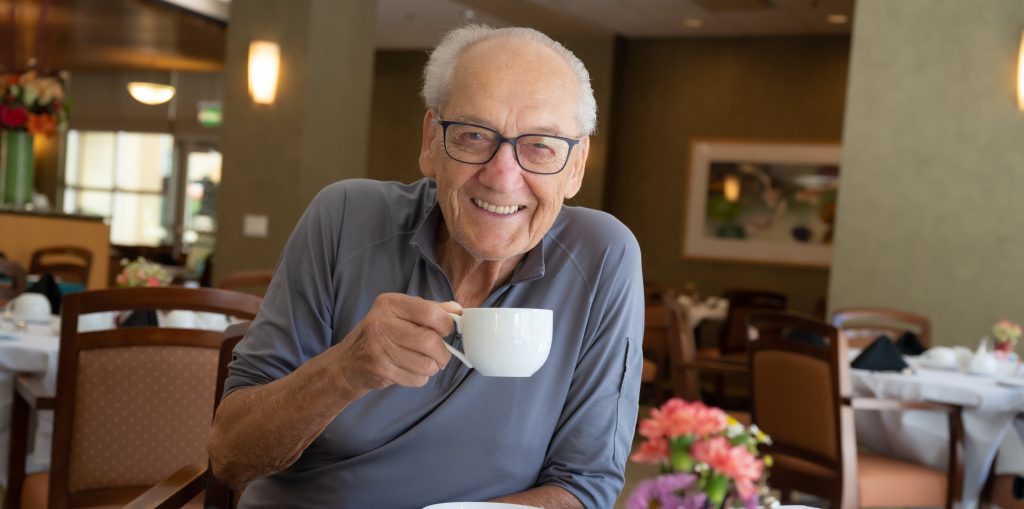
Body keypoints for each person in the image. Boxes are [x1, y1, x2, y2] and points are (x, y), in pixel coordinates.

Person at [207, 25, 644, 509]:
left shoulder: (604, 256)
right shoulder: (344, 217)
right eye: (474, 135)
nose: (503, 176)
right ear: (430, 142)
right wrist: (344, 372)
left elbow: (585, 486)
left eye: (541, 145)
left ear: (576, 165)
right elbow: (230, 459)